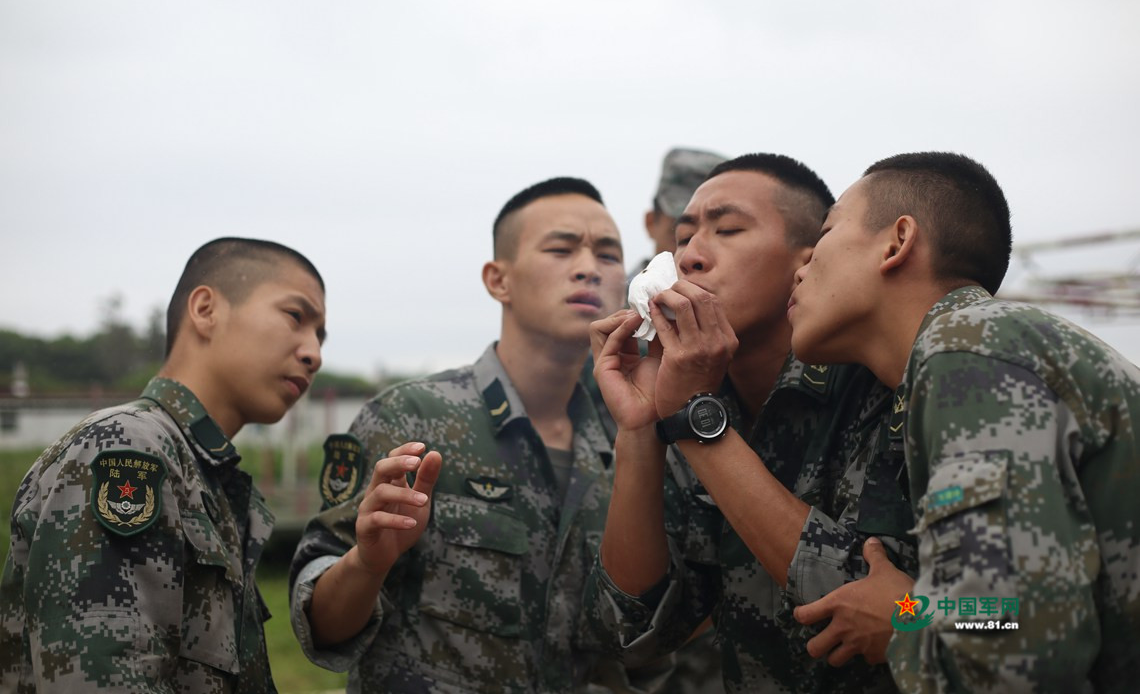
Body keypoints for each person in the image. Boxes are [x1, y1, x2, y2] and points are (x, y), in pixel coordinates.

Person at [787, 151, 1140, 691]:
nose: (802, 263)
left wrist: (905, 616)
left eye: (827, 231)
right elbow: (1011, 612)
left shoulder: (969, 353)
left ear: (897, 242)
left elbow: (1015, 642)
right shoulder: (966, 350)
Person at [582, 154, 917, 692]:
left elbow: (973, 614)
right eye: (683, 236)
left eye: (729, 229)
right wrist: (642, 428)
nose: (689, 256)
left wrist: (911, 617)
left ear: (810, 262)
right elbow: (626, 629)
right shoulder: (695, 396)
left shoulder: (890, 385)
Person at [289, 178, 636, 693]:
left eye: (608, 254)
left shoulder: (626, 442)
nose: (589, 266)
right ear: (499, 280)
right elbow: (321, 626)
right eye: (561, 249)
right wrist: (368, 564)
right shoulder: (413, 420)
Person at [0, 237, 327, 693]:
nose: (314, 353)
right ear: (206, 309)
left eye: (320, 336)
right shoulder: (126, 452)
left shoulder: (203, 471)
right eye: (295, 317)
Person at [629, 147, 725, 283]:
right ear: (650, 223)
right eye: (684, 238)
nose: (694, 255)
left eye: (724, 231)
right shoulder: (608, 300)